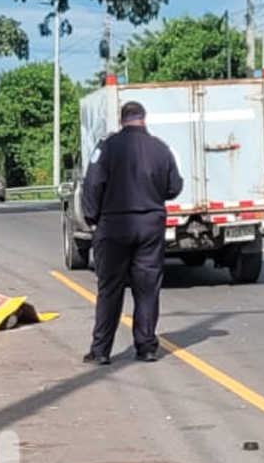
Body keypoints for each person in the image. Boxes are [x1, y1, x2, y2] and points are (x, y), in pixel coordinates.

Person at [78, 100, 184, 364]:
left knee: (110, 289)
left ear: (122, 119)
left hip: (113, 226)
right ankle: (146, 347)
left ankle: (101, 351)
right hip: (150, 226)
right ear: (143, 119)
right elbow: (174, 187)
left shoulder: (107, 147)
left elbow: (92, 184)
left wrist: (92, 219)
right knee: (147, 288)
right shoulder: (160, 148)